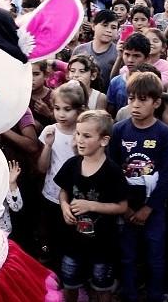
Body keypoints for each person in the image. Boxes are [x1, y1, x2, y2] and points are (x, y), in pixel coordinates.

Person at [109, 72, 168, 302]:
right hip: (125, 207)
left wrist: (149, 208)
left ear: (156, 103)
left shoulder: (164, 133)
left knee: (155, 256)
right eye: (131, 98)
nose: (135, 105)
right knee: (127, 256)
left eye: (143, 99)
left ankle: (156, 295)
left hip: (153, 209)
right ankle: (130, 294)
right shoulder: (119, 130)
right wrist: (124, 207)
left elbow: (167, 176)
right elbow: (113, 171)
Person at [57, 110, 128, 302]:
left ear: (104, 140)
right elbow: (63, 191)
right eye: (78, 134)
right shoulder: (72, 164)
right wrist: (64, 206)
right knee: (69, 283)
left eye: (87, 136)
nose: (79, 140)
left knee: (102, 287)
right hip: (73, 242)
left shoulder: (113, 172)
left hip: (102, 244)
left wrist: (91, 205)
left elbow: (122, 207)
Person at [37, 81, 88, 268]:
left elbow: (86, 170)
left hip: (75, 199)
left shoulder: (83, 135)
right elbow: (42, 168)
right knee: (50, 237)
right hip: (50, 195)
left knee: (72, 240)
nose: (61, 114)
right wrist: (48, 145)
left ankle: (71, 277)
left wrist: (77, 150)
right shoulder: (50, 131)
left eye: (67, 109)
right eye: (57, 108)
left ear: (79, 110)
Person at [72, 10, 119, 90]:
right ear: (93, 26)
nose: (109, 30)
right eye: (105, 25)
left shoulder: (118, 53)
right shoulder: (79, 50)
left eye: (113, 27)